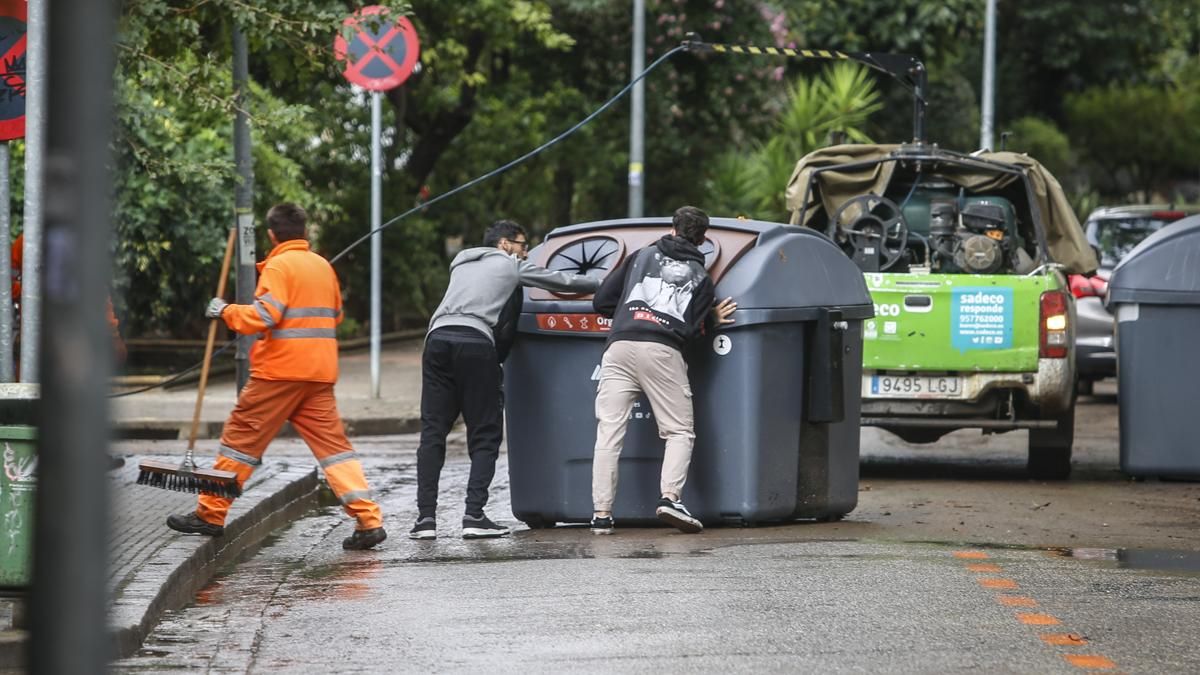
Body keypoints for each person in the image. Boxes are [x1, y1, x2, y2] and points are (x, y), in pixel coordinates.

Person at [166, 203, 386, 550]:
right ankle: (368, 520)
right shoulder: (323, 266)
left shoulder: (279, 265)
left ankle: (210, 514)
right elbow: (337, 315)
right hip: (319, 374)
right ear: (305, 230)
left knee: (240, 441)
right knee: (334, 450)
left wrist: (225, 311)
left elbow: (264, 316)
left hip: (279, 372)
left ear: (271, 234)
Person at [411, 219, 599, 540]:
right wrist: (606, 283)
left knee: (433, 431)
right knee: (485, 432)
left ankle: (425, 520)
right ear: (504, 244)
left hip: (437, 340)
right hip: (474, 341)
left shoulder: (461, 264)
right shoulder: (510, 266)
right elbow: (562, 282)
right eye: (523, 246)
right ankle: (474, 516)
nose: (526, 253)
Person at [590, 206, 736, 535]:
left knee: (608, 435)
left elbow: (601, 301)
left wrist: (633, 310)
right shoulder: (703, 279)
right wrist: (712, 319)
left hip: (619, 346)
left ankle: (601, 515)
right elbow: (691, 331)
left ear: (673, 228)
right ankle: (669, 498)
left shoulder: (641, 256)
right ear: (702, 240)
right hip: (661, 350)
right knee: (678, 431)